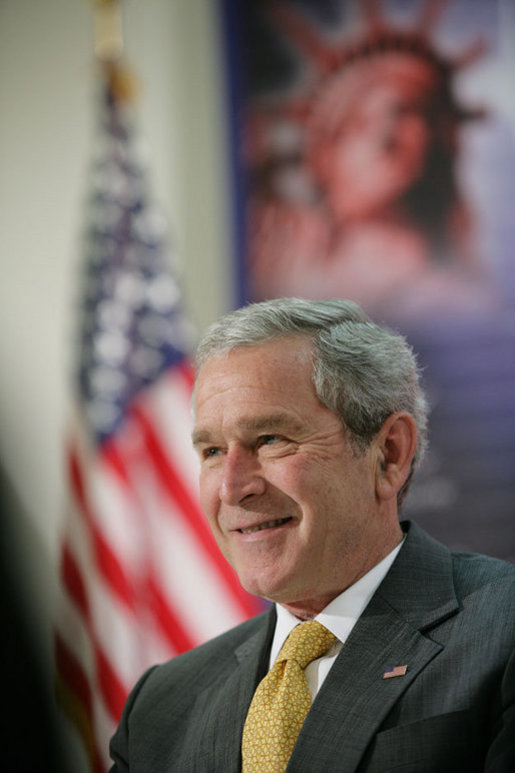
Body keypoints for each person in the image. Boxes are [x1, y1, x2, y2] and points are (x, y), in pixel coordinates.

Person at [110, 297, 514, 772]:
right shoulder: (163, 705)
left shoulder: (501, 634)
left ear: (388, 454)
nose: (233, 488)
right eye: (213, 451)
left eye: (270, 440)